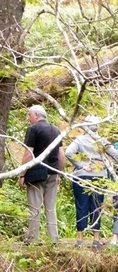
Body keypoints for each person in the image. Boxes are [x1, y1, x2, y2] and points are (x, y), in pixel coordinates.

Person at [66, 116, 118, 248]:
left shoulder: (79, 140)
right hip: (99, 176)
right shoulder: (101, 141)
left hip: (81, 176)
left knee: (81, 206)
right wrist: (106, 164)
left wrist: (80, 165)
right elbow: (116, 154)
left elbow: (68, 152)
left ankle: (80, 239)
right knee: (97, 206)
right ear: (97, 127)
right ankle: (96, 239)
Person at [19, 105, 65, 245]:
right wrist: (59, 174)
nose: (28, 118)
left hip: (36, 173)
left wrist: (22, 174)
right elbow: (61, 155)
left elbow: (28, 154)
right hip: (52, 172)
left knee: (35, 206)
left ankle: (32, 238)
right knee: (50, 207)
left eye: (29, 115)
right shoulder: (56, 130)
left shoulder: (33, 129)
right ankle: (53, 239)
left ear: (36, 115)